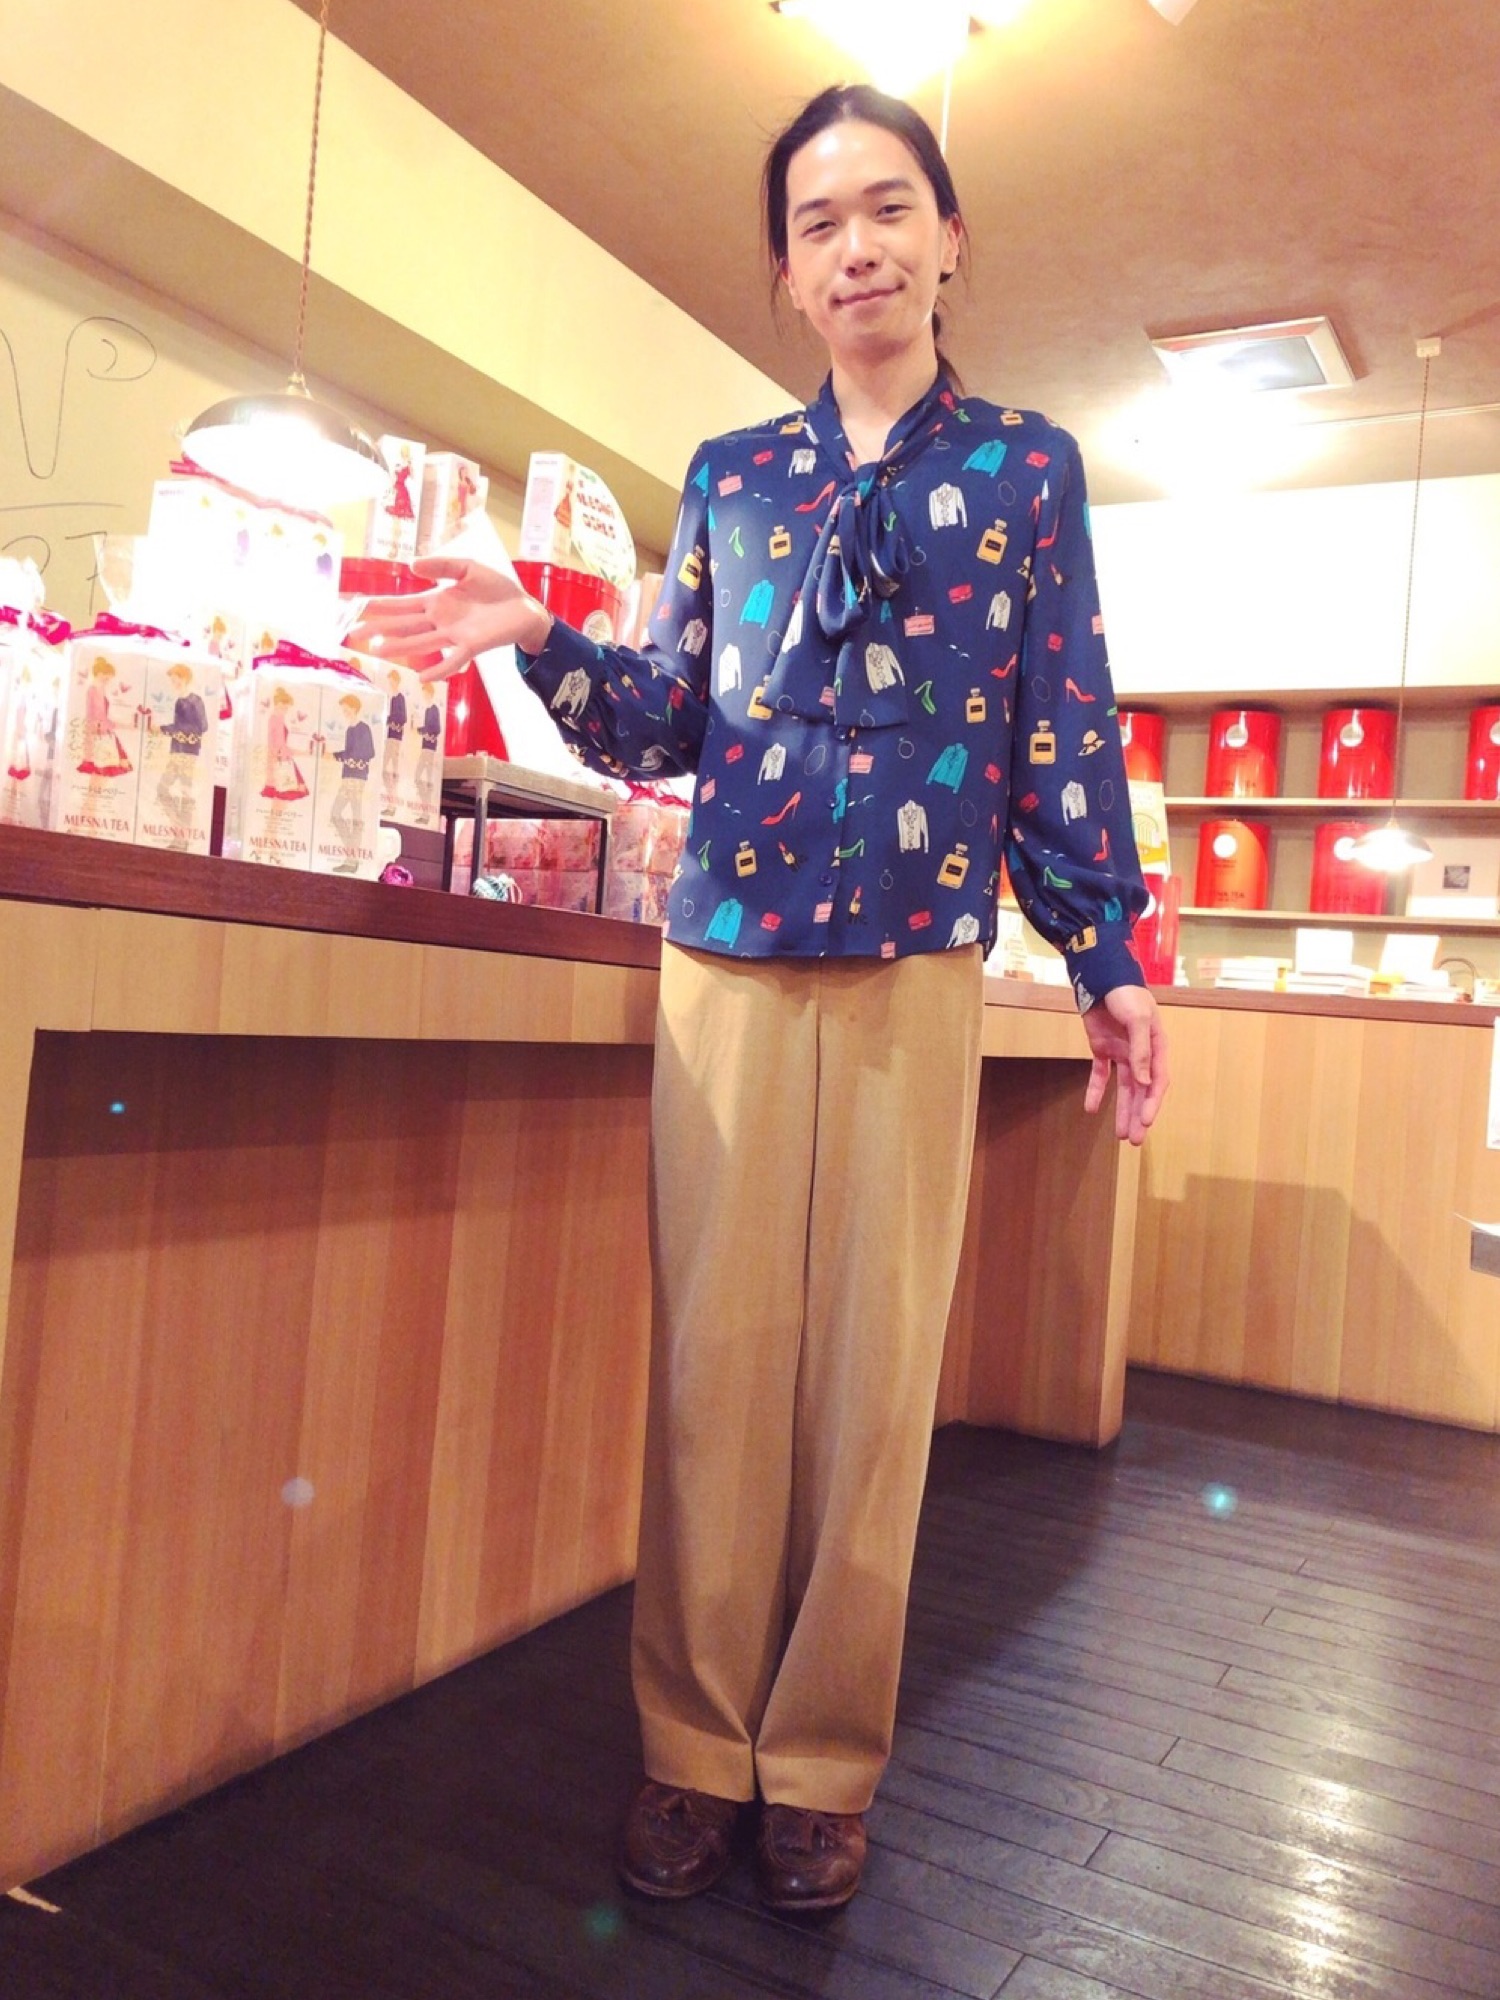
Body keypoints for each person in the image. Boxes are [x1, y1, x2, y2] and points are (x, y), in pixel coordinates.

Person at [351, 82, 1168, 1915]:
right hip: (723, 952)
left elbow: (1061, 726)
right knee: (716, 1372)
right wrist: (538, 634)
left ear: (949, 239)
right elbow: (668, 722)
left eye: (888, 208)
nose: (855, 246)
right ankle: (690, 1743)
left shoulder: (1026, 469)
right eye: (816, 223)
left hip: (914, 960)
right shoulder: (732, 476)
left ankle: (820, 1764)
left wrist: (1108, 960)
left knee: (874, 1385)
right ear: (787, 275)